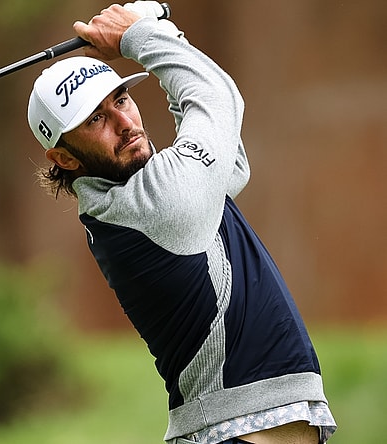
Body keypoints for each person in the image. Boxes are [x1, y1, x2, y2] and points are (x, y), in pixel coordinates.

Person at [26, 2, 337, 444]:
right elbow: (215, 98)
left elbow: (229, 160)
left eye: (121, 99)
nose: (124, 123)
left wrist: (157, 30)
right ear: (64, 157)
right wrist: (141, 35)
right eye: (96, 119)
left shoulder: (141, 197)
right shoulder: (154, 204)